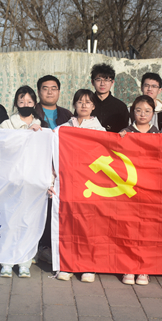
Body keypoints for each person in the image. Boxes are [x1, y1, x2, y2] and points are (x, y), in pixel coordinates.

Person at [47, 89, 105, 283]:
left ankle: (88, 265)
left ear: (93, 106)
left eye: (88, 102)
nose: (84, 105)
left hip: (90, 185)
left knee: (89, 226)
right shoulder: (62, 129)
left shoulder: (101, 132)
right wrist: (51, 181)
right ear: (74, 104)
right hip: (68, 184)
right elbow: (53, 157)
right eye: (80, 101)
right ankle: (67, 264)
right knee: (68, 224)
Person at [0, 86, 48, 278]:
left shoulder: (42, 126)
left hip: (33, 182)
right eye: (21, 101)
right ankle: (6, 262)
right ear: (16, 103)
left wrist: (49, 181)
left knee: (29, 223)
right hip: (12, 181)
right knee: (10, 221)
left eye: (29, 101)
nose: (25, 104)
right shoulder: (6, 124)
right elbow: (2, 148)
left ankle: (25, 261)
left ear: (34, 103)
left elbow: (47, 156)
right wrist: (26, 133)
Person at [117, 95, 160, 286]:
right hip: (129, 189)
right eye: (138, 110)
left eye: (147, 111)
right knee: (129, 228)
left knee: (148, 229)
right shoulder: (125, 132)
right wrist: (118, 140)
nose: (143, 114)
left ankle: (144, 268)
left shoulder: (158, 134)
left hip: (150, 188)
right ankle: (129, 267)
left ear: (153, 113)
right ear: (132, 112)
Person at [90, 63, 129, 133]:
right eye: (98, 80)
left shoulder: (120, 107)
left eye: (106, 80)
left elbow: (124, 131)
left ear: (112, 82)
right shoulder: (85, 104)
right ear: (92, 82)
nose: (102, 84)